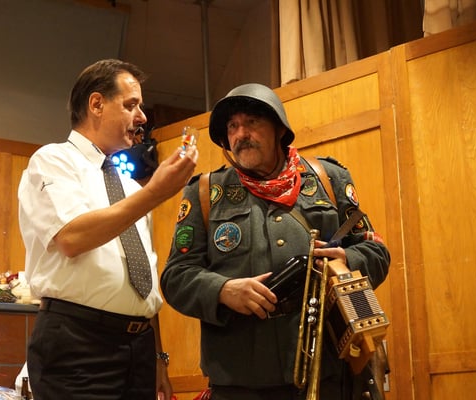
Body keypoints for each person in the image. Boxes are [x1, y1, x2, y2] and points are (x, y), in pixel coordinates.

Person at [160, 83, 390, 400]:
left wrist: (346, 261)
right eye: (232, 126)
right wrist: (223, 290)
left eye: (251, 122)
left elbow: (375, 250)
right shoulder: (204, 193)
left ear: (280, 129)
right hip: (241, 379)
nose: (241, 134)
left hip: (326, 370)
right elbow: (176, 277)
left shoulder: (328, 178)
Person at [18, 59, 198, 400]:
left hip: (139, 347)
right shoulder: (53, 160)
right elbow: (71, 238)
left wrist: (158, 357)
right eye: (131, 105)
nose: (142, 117)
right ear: (97, 104)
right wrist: (155, 193)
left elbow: (142, 278)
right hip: (78, 343)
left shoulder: (130, 187)